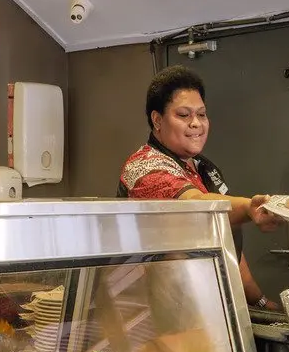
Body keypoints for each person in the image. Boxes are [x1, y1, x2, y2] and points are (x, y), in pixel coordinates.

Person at [119, 65, 280, 309]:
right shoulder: (144, 167)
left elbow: (228, 243)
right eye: (184, 115)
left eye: (202, 114)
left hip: (201, 305)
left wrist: (260, 301)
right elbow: (195, 205)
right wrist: (249, 207)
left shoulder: (203, 167)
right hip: (156, 311)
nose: (196, 124)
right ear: (157, 120)